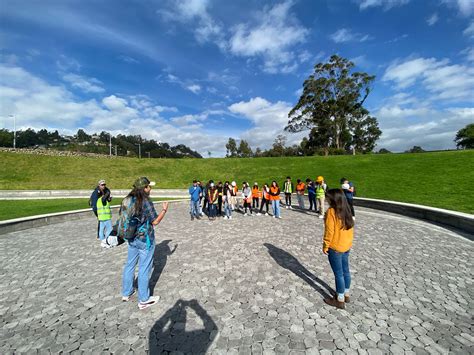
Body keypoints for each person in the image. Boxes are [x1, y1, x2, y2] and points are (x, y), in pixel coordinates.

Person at [121, 177, 169, 310]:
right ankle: (144, 300)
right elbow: (155, 222)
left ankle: (127, 292)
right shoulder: (145, 201)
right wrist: (164, 210)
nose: (150, 189)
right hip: (144, 239)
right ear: (144, 188)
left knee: (130, 264)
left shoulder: (127, 199)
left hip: (131, 237)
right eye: (149, 187)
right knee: (144, 268)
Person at [322, 189, 354, 309]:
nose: (326, 200)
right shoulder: (347, 210)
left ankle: (339, 299)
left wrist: (325, 245)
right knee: (346, 270)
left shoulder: (331, 212)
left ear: (333, 200)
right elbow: (351, 229)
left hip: (335, 247)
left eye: (328, 198)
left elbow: (329, 231)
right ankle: (346, 294)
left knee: (339, 274)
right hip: (346, 246)